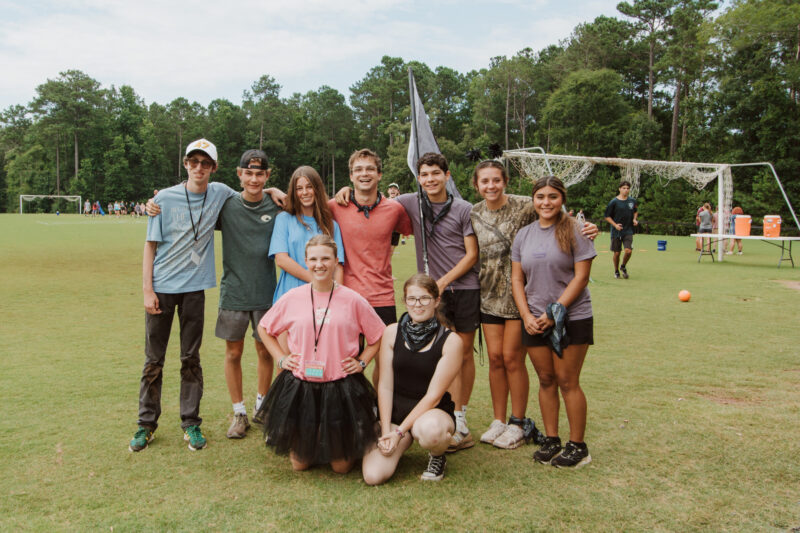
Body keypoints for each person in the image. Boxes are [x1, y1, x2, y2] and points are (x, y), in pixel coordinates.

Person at [470, 160, 598, 449]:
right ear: (476, 185)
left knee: (550, 373)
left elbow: (580, 274)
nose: (545, 202)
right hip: (502, 301)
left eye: (496, 180)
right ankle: (516, 427)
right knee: (520, 369)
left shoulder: (537, 211)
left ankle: (533, 428)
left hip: (546, 309)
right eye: (484, 181)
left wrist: (588, 227)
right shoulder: (478, 214)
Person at [130, 138, 238, 453]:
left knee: (191, 359)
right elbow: (150, 246)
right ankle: (145, 425)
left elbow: (251, 194)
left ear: (214, 168)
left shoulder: (220, 193)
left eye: (205, 163)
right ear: (186, 164)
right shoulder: (163, 199)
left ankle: (191, 422)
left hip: (194, 291)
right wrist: (147, 290)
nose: (198, 168)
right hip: (162, 289)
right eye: (193, 162)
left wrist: (274, 191)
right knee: (154, 360)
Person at [256, 235, 385, 473]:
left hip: (340, 386)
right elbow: (264, 328)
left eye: (325, 259)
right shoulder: (292, 297)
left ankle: (343, 435)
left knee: (341, 467)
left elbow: (378, 335)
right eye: (314, 259)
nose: (319, 264)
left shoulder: (353, 299)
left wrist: (362, 362)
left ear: (336, 261)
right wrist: (281, 358)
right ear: (306, 261)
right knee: (300, 464)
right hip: (301, 386)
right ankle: (315, 438)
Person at [511, 176, 596, 468]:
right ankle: (551, 439)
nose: (546, 202)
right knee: (546, 379)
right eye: (540, 197)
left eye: (553, 197)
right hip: (534, 319)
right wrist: (526, 316)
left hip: (572, 317)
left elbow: (581, 278)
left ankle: (578, 447)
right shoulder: (524, 235)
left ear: (562, 199)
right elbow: (517, 279)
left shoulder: (577, 230)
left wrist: (554, 312)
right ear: (533, 200)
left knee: (567, 381)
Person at [362, 274, 462, 484]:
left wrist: (398, 433)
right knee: (373, 476)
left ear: (436, 301)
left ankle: (437, 455)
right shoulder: (391, 332)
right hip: (395, 413)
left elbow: (434, 396)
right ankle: (396, 438)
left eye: (424, 298)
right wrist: (387, 431)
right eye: (412, 299)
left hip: (430, 411)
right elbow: (385, 386)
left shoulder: (451, 341)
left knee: (430, 431)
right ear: (405, 301)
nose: (418, 304)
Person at [328, 150, 411, 327]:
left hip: (383, 297)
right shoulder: (335, 206)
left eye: (370, 169)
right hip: (346, 295)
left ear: (379, 174)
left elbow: (417, 231)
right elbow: (300, 207)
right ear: (351, 176)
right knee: (349, 347)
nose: (364, 173)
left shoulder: (395, 210)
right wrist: (270, 191)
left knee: (387, 345)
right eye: (358, 169)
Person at [269, 166, 344, 304]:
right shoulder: (284, 219)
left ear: (317, 189)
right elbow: (281, 260)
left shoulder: (332, 225)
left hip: (322, 298)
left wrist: (337, 299)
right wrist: (317, 280)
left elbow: (338, 267)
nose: (304, 192)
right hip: (290, 297)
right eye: (299, 188)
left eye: (309, 187)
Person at [604, 180, 638, 279]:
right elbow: (607, 216)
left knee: (628, 251)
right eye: (624, 188)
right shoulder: (613, 202)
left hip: (628, 230)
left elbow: (635, 211)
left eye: (627, 188)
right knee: (617, 253)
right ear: (619, 189)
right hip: (616, 231)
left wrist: (634, 219)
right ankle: (616, 270)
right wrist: (615, 225)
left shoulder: (632, 201)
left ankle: (623, 266)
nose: (626, 190)